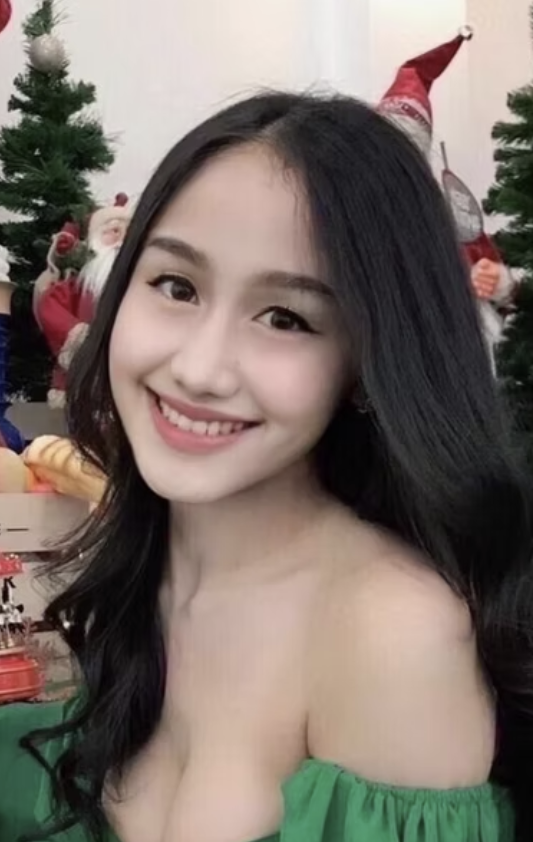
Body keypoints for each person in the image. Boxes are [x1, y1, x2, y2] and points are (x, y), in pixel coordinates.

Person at [0, 91, 531, 842]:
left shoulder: (390, 633)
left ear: (365, 364)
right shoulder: (145, 563)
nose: (199, 368)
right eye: (177, 286)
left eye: (286, 317)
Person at [33, 195, 132, 408]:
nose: (121, 239)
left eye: (128, 232)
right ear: (95, 239)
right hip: (79, 374)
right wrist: (76, 333)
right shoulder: (79, 284)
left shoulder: (138, 284)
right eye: (114, 231)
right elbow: (50, 305)